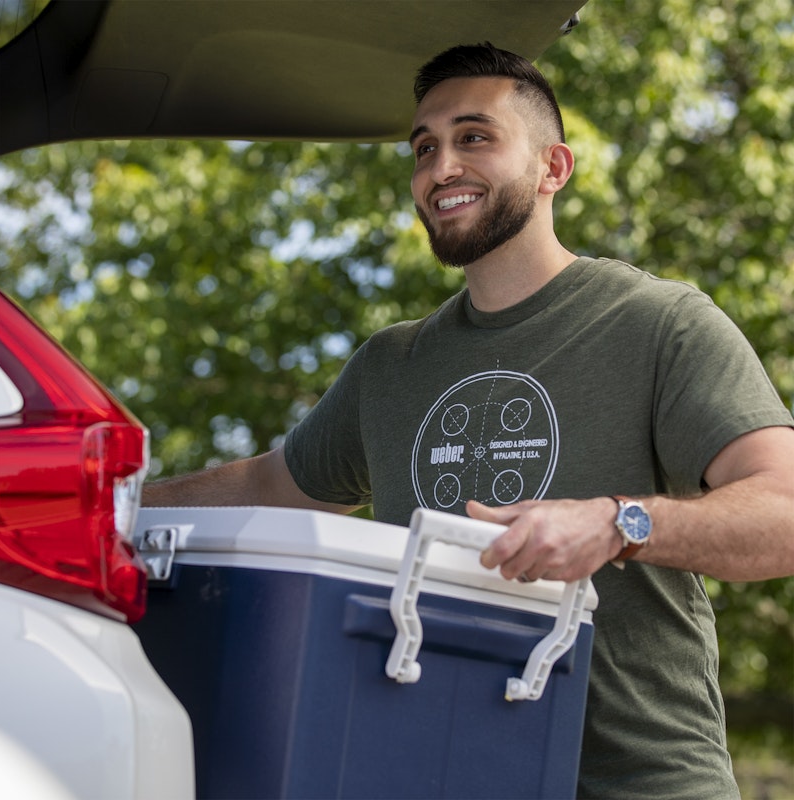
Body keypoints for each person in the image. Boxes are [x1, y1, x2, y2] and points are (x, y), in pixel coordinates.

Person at [144, 42, 794, 799]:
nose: (440, 166)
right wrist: (96, 506)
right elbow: (265, 484)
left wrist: (618, 524)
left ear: (554, 168)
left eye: (474, 137)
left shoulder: (658, 324)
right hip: (435, 774)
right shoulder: (391, 365)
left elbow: (783, 514)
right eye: (424, 148)